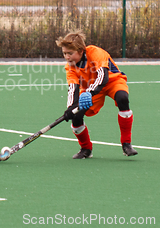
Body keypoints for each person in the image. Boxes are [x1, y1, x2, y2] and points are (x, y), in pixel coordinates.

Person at [56, 30, 138, 159]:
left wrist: (88, 92)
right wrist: (70, 108)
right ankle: (86, 148)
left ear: (81, 50)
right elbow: (73, 88)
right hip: (90, 89)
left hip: (112, 81)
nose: (67, 57)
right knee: (76, 117)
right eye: (64, 53)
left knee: (122, 98)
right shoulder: (70, 67)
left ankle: (126, 144)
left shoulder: (95, 53)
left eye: (70, 53)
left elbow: (103, 77)